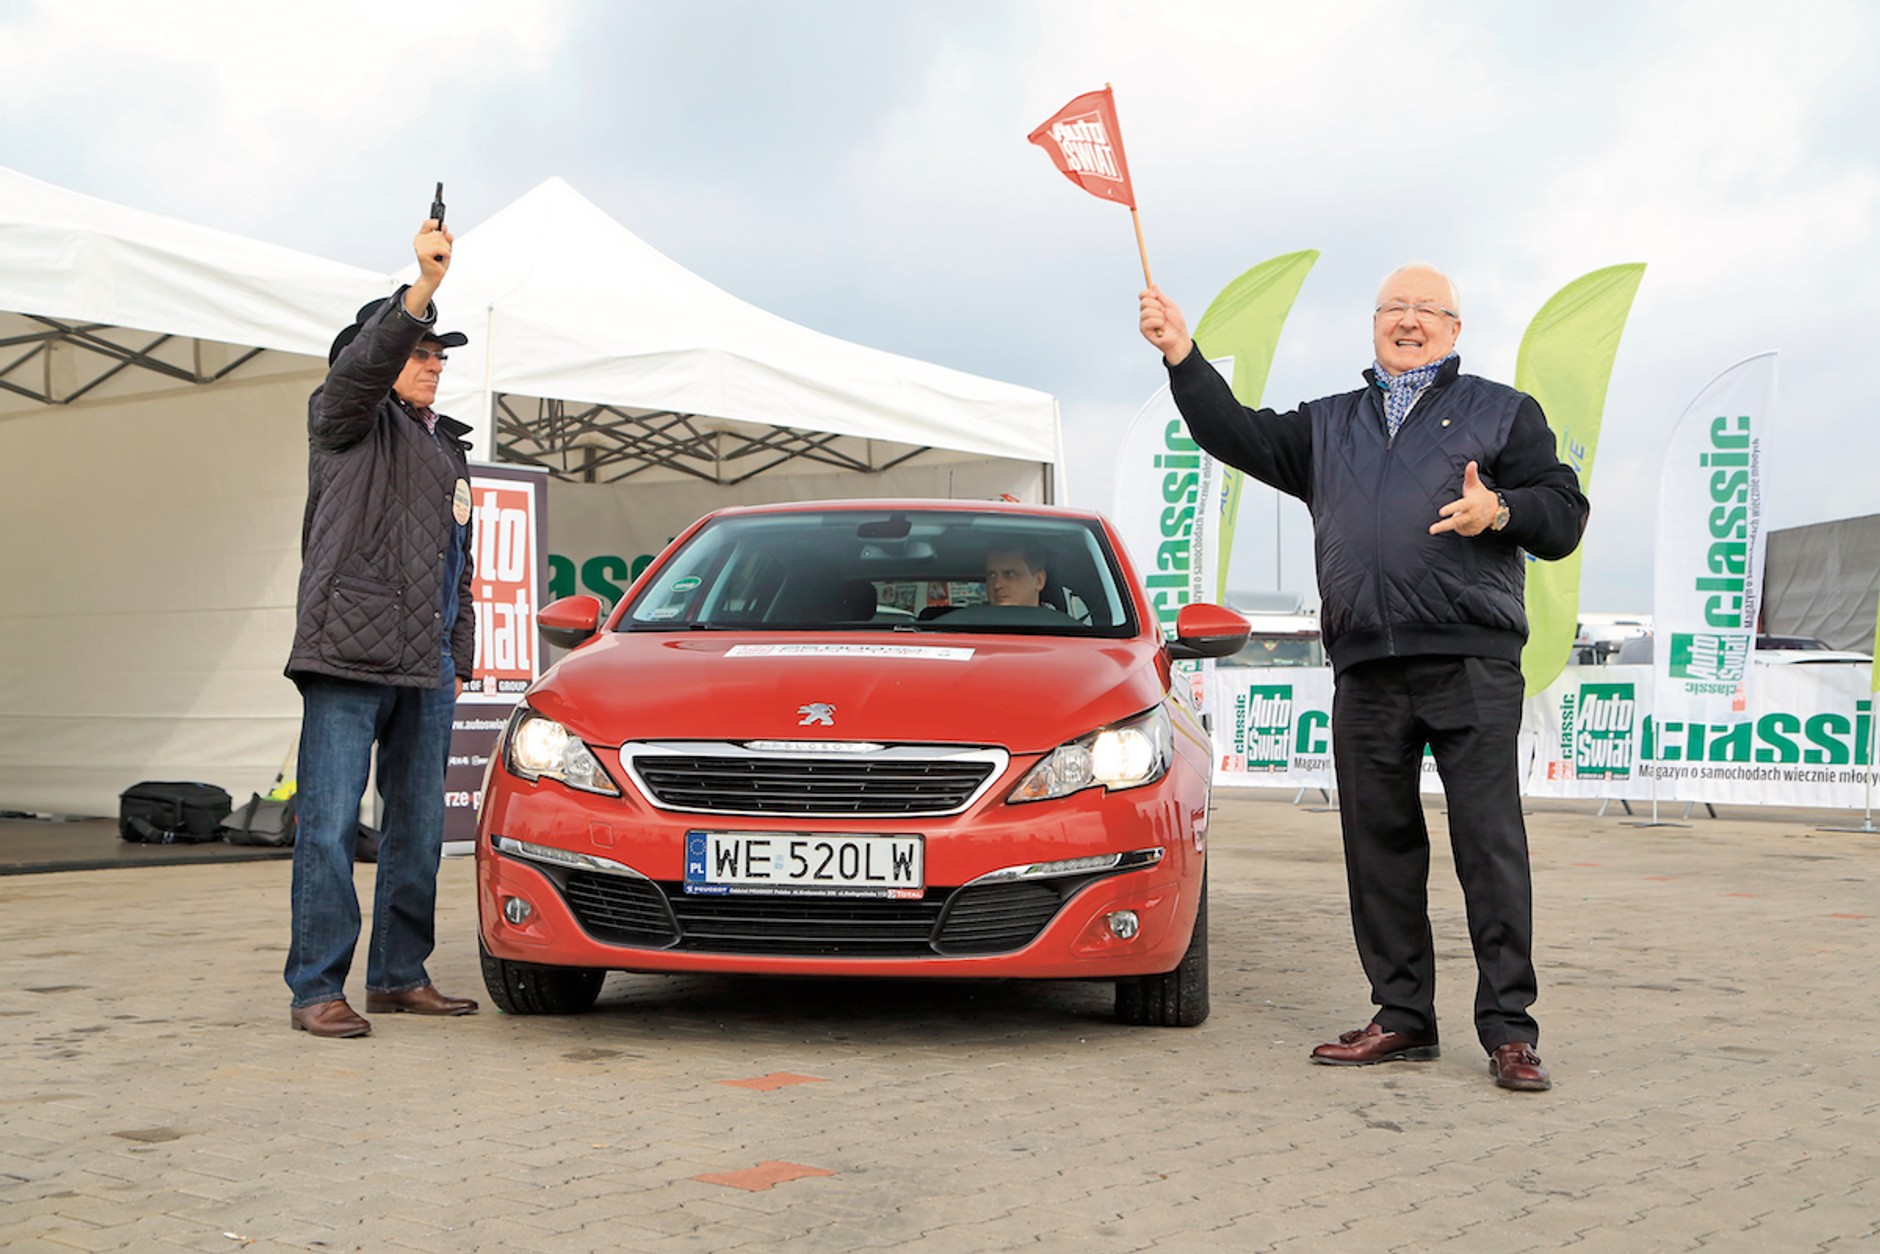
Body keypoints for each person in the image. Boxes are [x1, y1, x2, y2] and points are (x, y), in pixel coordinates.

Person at [1139, 264, 1589, 1092]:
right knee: (1378, 847)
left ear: (1454, 329)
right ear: (1375, 322)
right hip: (1367, 666)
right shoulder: (1329, 424)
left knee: (1489, 846)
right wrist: (1181, 355)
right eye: (1394, 308)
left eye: (1427, 310)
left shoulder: (1502, 411)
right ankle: (1403, 1015)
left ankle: (1509, 1031)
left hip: (1471, 661)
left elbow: (1564, 516)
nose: (1408, 321)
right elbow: (1233, 433)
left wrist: (1501, 511)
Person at [282, 217, 480, 1038]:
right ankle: (316, 989)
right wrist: (421, 287)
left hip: (425, 663)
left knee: (420, 827)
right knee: (329, 825)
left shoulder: (447, 448)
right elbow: (365, 365)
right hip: (347, 655)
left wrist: (458, 653)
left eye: (440, 355)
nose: (433, 364)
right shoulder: (346, 416)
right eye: (420, 351)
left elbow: (458, 564)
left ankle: (399, 975)